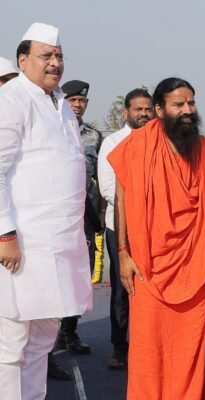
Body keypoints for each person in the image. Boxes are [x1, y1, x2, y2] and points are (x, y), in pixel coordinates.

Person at [108, 77, 205, 399]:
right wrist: (123, 253)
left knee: (190, 350)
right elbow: (122, 199)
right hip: (147, 267)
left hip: (194, 268)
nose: (187, 110)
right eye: (178, 104)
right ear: (159, 110)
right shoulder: (136, 147)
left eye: (191, 103)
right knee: (149, 351)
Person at [0, 22, 92, 399]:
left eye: (59, 55)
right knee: (11, 344)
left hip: (60, 245)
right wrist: (5, 234)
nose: (55, 62)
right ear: (23, 61)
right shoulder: (12, 99)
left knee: (42, 340)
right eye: (46, 55)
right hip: (22, 245)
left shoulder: (61, 105)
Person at [97, 88, 154, 370]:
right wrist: (142, 204)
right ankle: (120, 347)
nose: (143, 114)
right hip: (121, 227)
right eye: (138, 109)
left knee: (151, 286)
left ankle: (148, 346)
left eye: (147, 109)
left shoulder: (162, 140)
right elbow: (108, 188)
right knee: (122, 288)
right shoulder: (113, 142)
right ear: (126, 112)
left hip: (155, 227)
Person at [51, 79, 102, 357]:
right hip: (57, 217)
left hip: (86, 216)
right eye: (73, 100)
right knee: (53, 274)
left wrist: (101, 216)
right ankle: (48, 336)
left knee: (78, 275)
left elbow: (101, 178)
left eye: (82, 101)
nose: (78, 105)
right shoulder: (52, 129)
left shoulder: (94, 136)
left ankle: (69, 332)